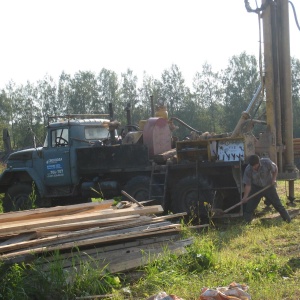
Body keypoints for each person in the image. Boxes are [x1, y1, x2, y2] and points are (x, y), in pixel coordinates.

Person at [242, 154, 291, 223]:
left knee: (278, 205)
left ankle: (288, 220)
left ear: (258, 162)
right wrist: (245, 197)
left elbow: (275, 168)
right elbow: (248, 185)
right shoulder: (248, 169)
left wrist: (274, 179)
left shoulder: (266, 162)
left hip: (269, 187)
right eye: (252, 166)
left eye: (255, 165)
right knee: (249, 207)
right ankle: (246, 222)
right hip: (256, 188)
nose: (253, 167)